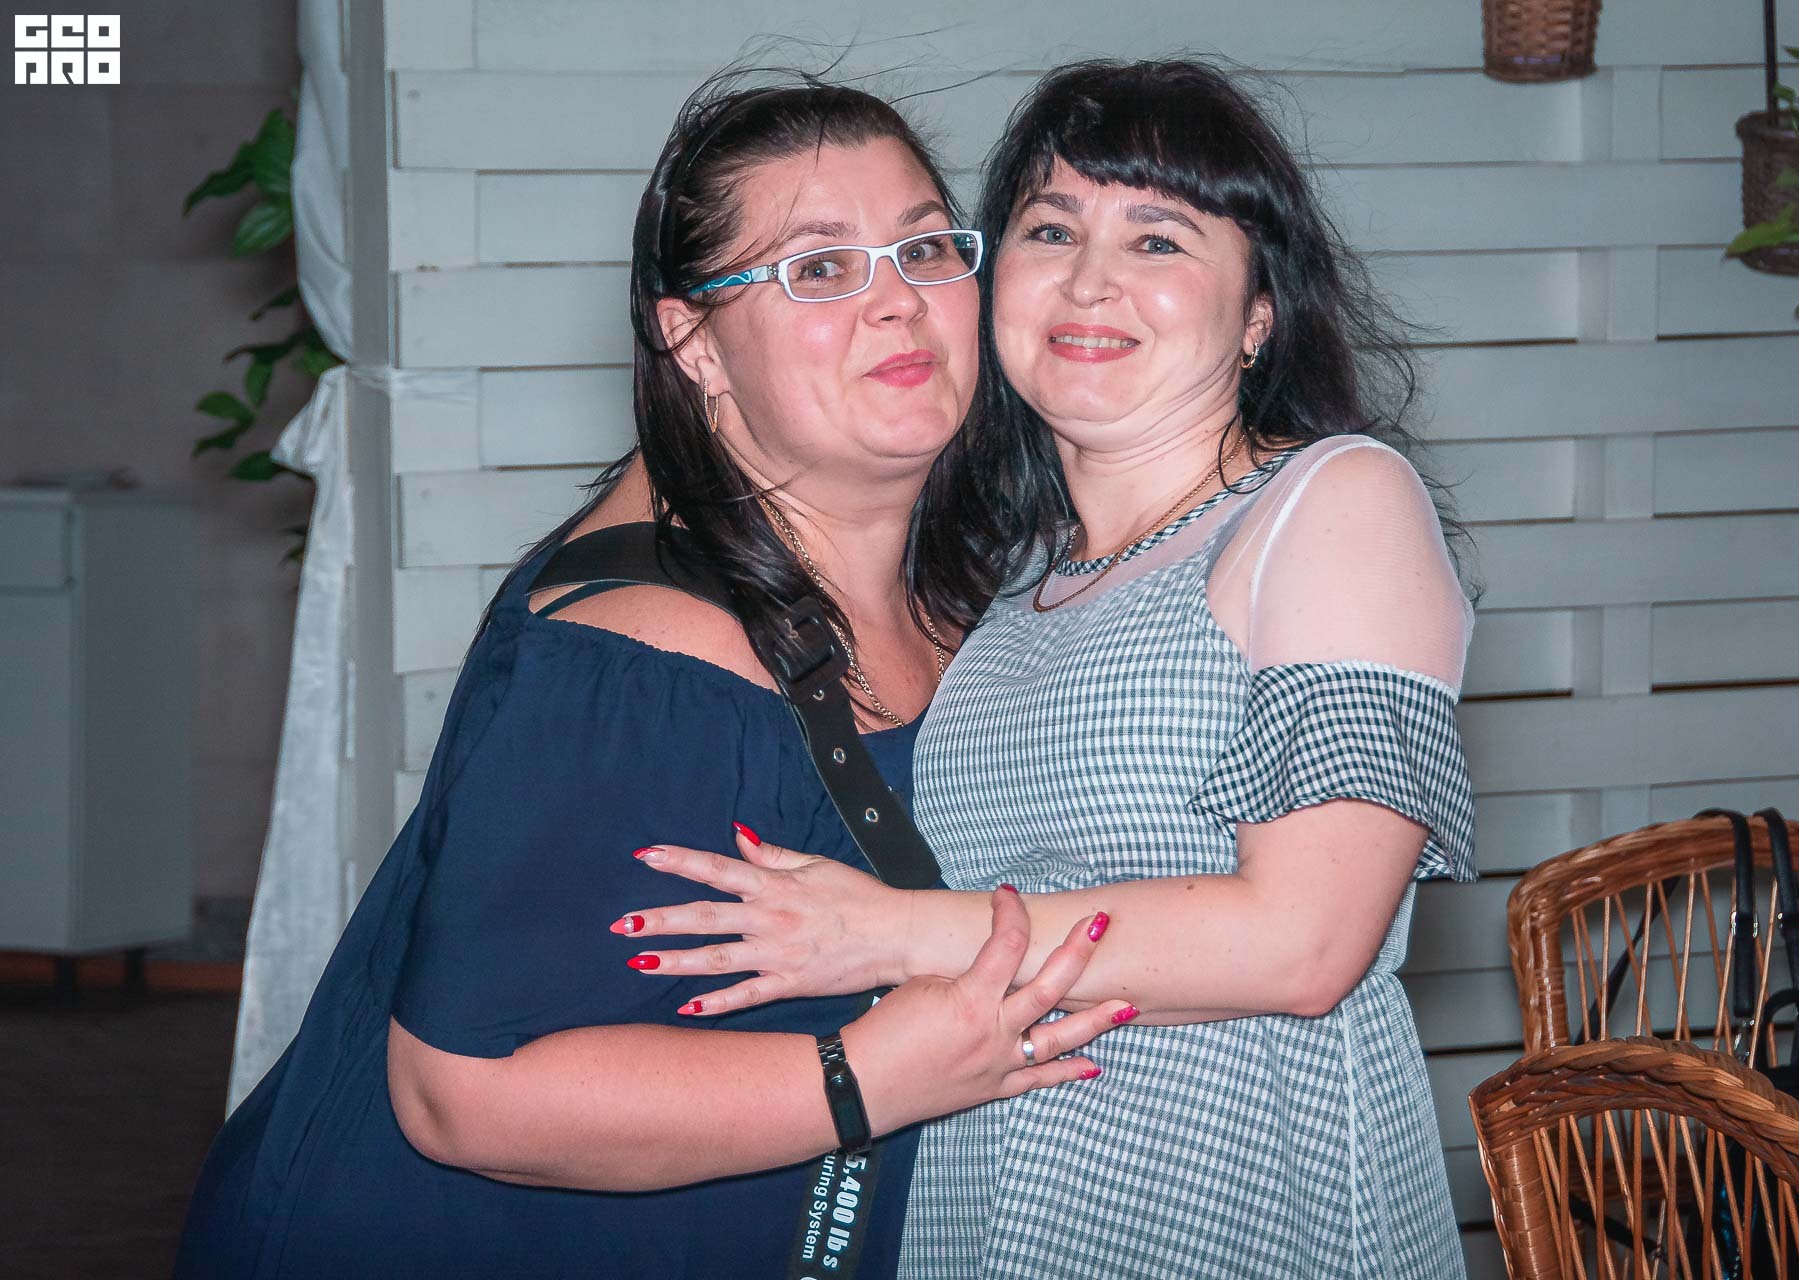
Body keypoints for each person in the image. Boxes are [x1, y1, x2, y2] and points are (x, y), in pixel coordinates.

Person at [175, 76, 1130, 1279]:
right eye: (819, 268)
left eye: (925, 246)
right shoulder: (634, 660)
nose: (897, 299)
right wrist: (870, 1076)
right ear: (694, 342)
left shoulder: (959, 575)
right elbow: (461, 1093)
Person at [620, 60, 1479, 1278]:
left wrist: (886, 932)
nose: (1089, 280)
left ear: (1259, 311)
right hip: (989, 1206)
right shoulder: (1008, 582)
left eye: (1158, 239)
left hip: (1236, 1203)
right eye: (1050, 229)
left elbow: (1307, 940)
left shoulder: (1330, 500)